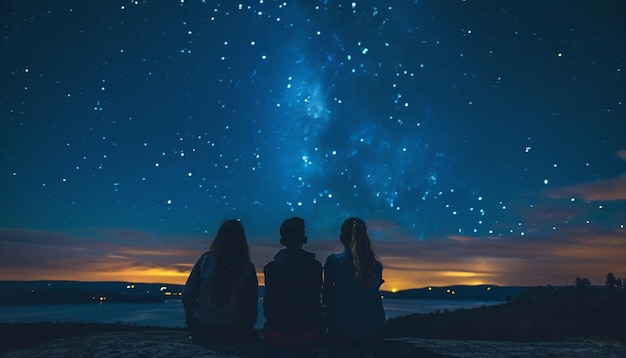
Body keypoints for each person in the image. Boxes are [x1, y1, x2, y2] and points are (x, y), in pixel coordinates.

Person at [182, 219, 258, 344]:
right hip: (233, 331)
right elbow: (251, 306)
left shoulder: (205, 260)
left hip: (203, 329)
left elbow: (187, 296)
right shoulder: (247, 267)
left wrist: (192, 325)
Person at [322, 217, 385, 342]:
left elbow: (326, 297)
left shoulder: (334, 260)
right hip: (372, 329)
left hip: (342, 330)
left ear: (341, 238)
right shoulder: (376, 266)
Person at [263, 217, 324, 345]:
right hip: (307, 332)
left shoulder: (270, 268)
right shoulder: (315, 266)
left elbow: (269, 304)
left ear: (282, 241)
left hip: (276, 332)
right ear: (304, 239)